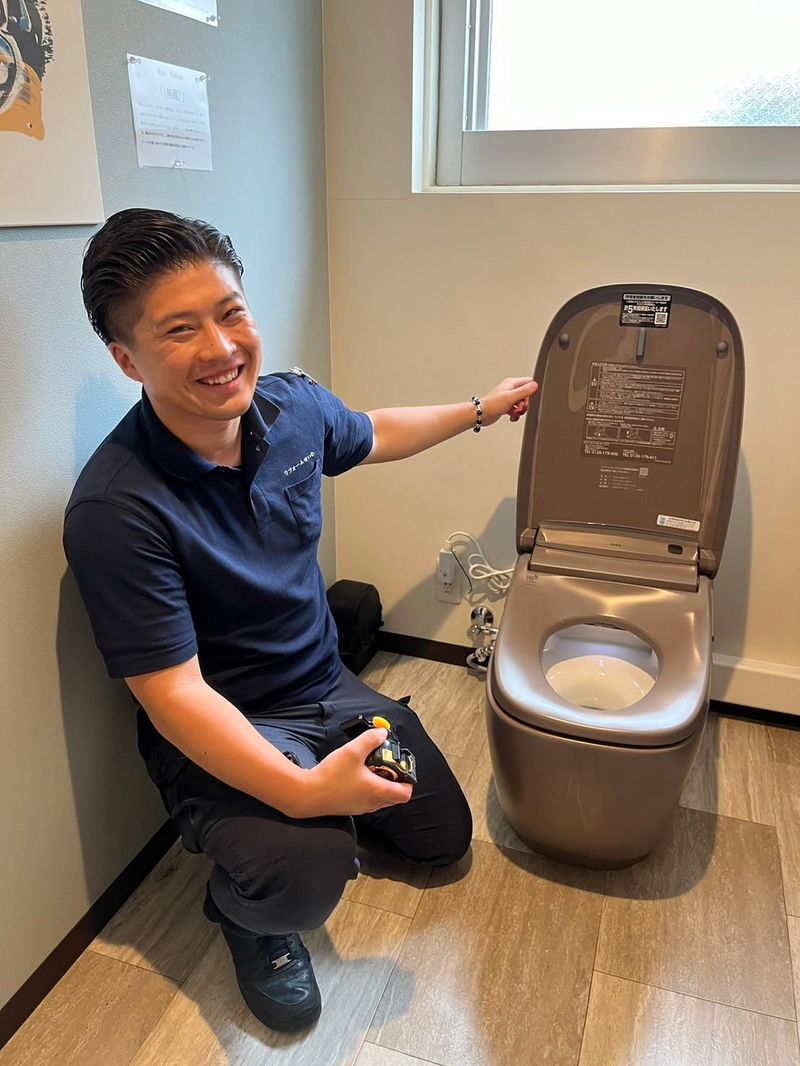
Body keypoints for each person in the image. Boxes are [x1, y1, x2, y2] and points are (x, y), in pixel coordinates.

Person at [63, 208, 538, 1033]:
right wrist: (303, 792)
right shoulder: (117, 507)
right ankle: (247, 913)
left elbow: (376, 432)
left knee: (440, 837)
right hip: (228, 724)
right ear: (126, 358)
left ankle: (323, 802)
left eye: (230, 313)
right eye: (180, 330)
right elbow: (174, 696)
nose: (221, 348)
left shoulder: (291, 409)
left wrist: (480, 408)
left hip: (328, 690)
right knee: (307, 866)